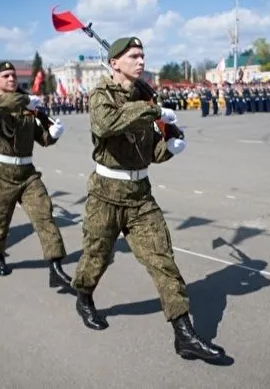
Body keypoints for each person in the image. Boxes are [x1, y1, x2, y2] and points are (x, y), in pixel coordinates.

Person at [70, 37, 227, 363]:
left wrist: (168, 147)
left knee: (162, 260)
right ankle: (83, 296)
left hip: (141, 197)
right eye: (134, 56)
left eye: (143, 56)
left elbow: (150, 152)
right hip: (106, 195)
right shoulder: (102, 96)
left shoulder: (143, 96)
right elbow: (106, 123)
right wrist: (154, 110)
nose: (141, 61)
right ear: (115, 63)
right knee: (96, 257)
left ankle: (184, 335)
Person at [0, 61, 73, 289]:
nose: (12, 79)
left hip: (27, 173)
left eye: (13, 75)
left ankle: (55, 266)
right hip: (0, 174)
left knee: (44, 215)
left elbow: (42, 139)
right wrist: (26, 101)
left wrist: (53, 133)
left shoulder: (27, 103)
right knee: (0, 220)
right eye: (6, 76)